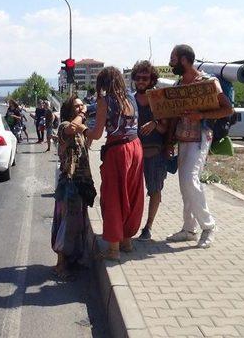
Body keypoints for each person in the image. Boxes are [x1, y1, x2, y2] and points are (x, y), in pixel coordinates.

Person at [164, 44, 234, 248]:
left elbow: (227, 109)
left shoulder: (208, 82)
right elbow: (174, 117)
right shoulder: (178, 85)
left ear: (184, 60)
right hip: (183, 139)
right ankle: (188, 229)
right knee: (184, 184)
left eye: (173, 59)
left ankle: (209, 226)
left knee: (190, 179)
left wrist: (201, 115)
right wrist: (169, 142)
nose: (171, 63)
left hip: (200, 137)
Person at [83, 67, 144, 261]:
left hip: (117, 151)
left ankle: (113, 250)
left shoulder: (105, 101)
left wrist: (84, 130)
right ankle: (127, 241)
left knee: (113, 197)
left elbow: (98, 133)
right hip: (136, 147)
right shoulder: (131, 98)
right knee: (132, 194)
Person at [52, 96, 95, 279]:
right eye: (76, 106)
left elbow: (92, 140)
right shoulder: (64, 126)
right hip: (69, 182)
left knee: (79, 222)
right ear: (69, 109)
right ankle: (60, 264)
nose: (80, 109)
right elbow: (70, 129)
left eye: (81, 106)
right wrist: (84, 114)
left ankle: (74, 259)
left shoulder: (80, 130)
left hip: (81, 181)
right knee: (67, 222)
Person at [131, 61, 168, 241]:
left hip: (154, 153)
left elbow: (165, 129)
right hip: (133, 154)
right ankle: (129, 226)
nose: (141, 81)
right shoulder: (130, 99)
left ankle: (148, 226)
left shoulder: (158, 99)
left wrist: (154, 124)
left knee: (154, 190)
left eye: (145, 78)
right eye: (138, 78)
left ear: (152, 79)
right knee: (131, 191)